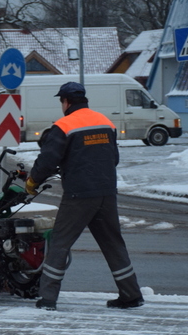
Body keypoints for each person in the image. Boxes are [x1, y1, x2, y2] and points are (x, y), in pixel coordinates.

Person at [25, 82, 144, 311]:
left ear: (66, 102)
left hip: (79, 195)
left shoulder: (64, 125)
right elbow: (114, 158)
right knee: (113, 244)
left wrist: (32, 182)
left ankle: (48, 298)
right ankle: (131, 294)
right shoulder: (105, 122)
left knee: (60, 243)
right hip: (106, 193)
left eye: (61, 101)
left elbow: (48, 161)